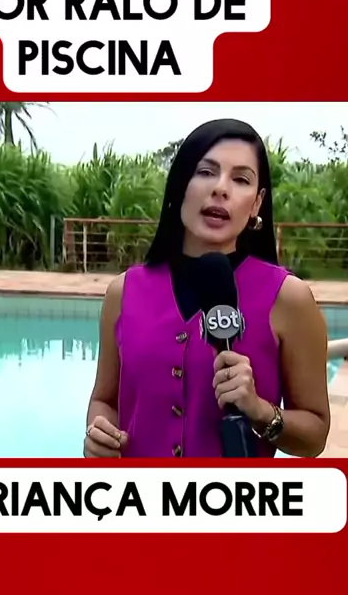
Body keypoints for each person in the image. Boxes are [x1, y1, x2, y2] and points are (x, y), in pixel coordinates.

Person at [84, 118, 330, 459]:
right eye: (205, 172)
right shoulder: (123, 292)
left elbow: (315, 435)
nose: (221, 188)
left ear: (256, 204)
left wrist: (259, 410)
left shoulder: (289, 298)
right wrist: (98, 434)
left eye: (241, 179)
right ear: (180, 185)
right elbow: (104, 400)